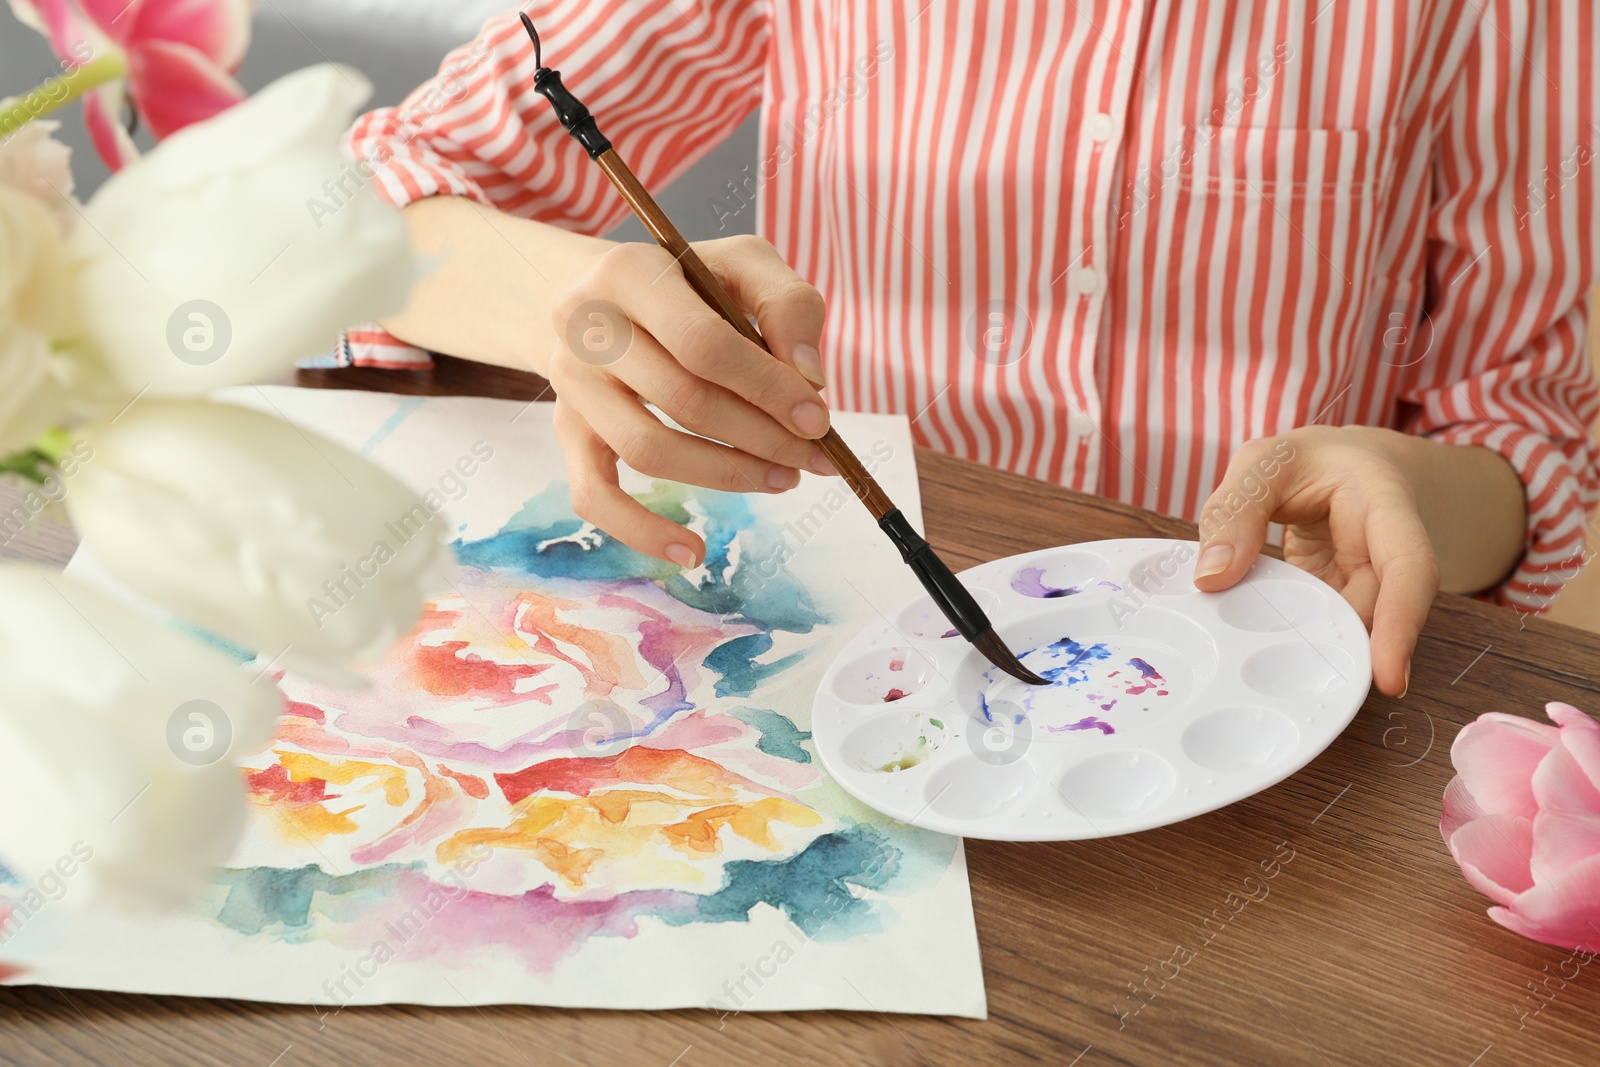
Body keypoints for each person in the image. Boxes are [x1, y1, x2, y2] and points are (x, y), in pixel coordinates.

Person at [337, 1, 1599, 700]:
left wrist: (1410, 488)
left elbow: (1520, 433)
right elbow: (351, 205)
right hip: (839, 650)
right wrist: (570, 305)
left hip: (1253, 678)